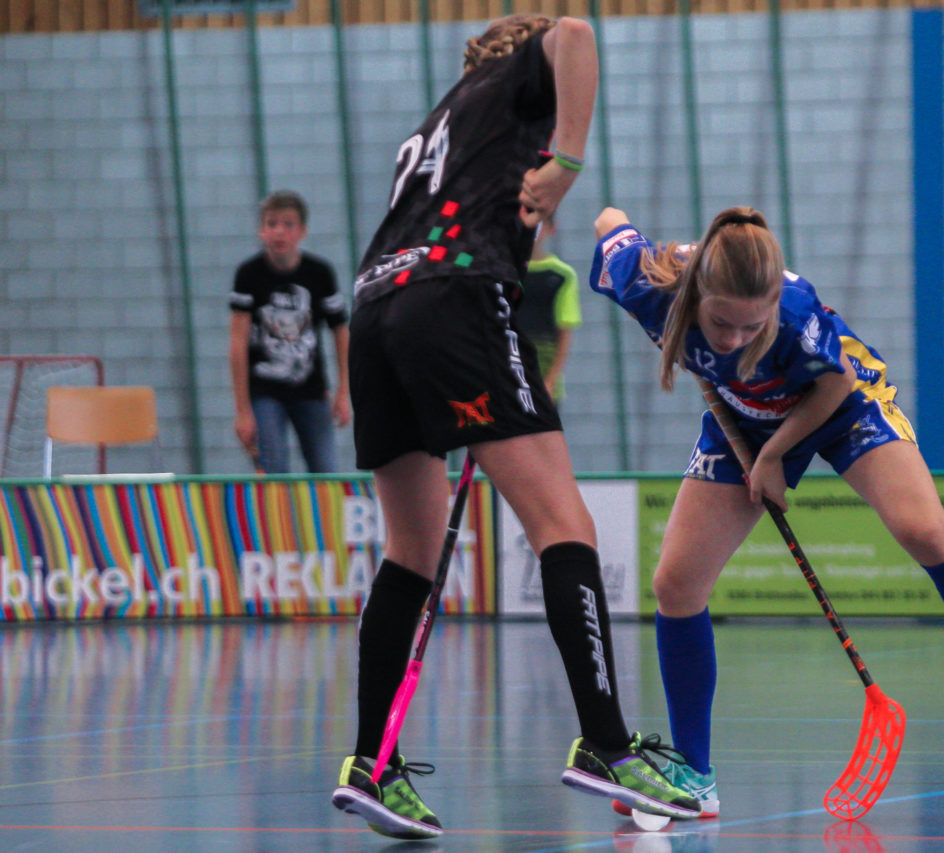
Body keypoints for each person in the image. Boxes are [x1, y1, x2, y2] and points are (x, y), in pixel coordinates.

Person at [329, 15, 699, 841]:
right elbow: (575, 32)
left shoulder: (443, 119)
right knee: (562, 523)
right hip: (455, 298)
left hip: (378, 312)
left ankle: (371, 762)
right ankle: (606, 742)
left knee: (409, 552)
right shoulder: (516, 82)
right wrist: (567, 161)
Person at [589, 205, 944, 820]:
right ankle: (694, 772)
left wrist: (772, 457)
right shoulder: (649, 286)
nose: (734, 339)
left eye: (751, 327)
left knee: (921, 528)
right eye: (721, 323)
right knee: (676, 583)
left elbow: (834, 387)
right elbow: (609, 221)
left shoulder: (795, 317)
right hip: (740, 415)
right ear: (698, 293)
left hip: (842, 405)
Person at [229, 190, 350, 474]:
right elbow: (237, 342)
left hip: (310, 390)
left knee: (325, 468)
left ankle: (321, 519)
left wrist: (344, 391)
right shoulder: (249, 275)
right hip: (265, 392)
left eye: (288, 224)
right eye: (272, 224)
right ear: (262, 231)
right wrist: (243, 410)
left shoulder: (319, 274)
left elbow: (341, 332)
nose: (279, 232)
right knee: (275, 469)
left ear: (302, 231)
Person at [520, 214, 582, 402]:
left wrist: (551, 380)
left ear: (550, 228)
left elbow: (565, 331)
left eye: (537, 226)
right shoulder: (500, 271)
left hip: (542, 365)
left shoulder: (562, 275)